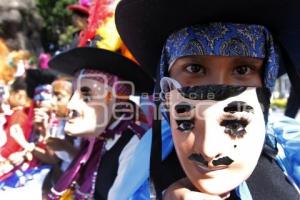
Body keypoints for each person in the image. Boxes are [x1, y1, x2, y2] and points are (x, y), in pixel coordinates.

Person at [115, 0, 300, 199]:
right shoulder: (140, 168)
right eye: (195, 69)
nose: (209, 151)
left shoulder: (290, 152)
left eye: (242, 69)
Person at [47, 46, 153, 200]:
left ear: (116, 102)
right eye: (73, 94)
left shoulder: (135, 145)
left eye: (87, 96)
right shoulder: (95, 141)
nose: (70, 105)